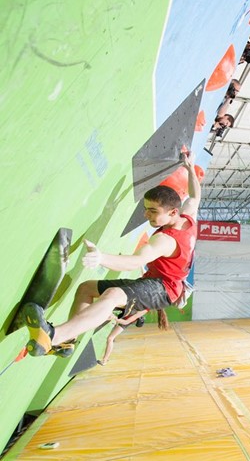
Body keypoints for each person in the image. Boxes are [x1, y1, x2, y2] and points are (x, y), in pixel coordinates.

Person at [22, 152, 200, 357]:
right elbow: (195, 196)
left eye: (152, 211)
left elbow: (136, 261)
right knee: (86, 289)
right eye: (146, 209)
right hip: (156, 282)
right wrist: (190, 167)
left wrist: (101, 258)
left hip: (164, 288)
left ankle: (52, 337)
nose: (146, 215)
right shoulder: (187, 217)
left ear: (172, 213)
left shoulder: (164, 240)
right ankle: (66, 343)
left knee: (113, 296)